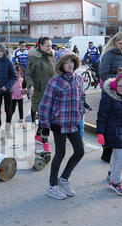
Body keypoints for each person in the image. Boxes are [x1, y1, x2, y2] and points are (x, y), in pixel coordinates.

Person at [39, 51, 85, 200]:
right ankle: (52, 186)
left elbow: (81, 98)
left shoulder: (78, 79)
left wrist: (81, 111)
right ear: (60, 65)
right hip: (58, 123)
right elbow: (45, 104)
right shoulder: (55, 81)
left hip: (73, 123)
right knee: (60, 153)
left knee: (80, 151)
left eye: (72, 61)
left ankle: (64, 179)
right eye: (66, 62)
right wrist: (44, 125)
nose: (70, 65)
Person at [96, 69, 122, 196]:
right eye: (120, 86)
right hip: (112, 131)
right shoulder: (108, 97)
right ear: (115, 84)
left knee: (117, 155)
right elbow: (102, 115)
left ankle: (112, 173)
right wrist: (100, 132)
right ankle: (115, 182)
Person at [98, 31, 122, 163]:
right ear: (115, 42)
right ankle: (107, 153)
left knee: (119, 122)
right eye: (120, 43)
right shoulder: (109, 54)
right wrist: (118, 81)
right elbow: (103, 74)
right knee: (109, 122)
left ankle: (112, 153)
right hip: (110, 93)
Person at [25, 36, 56, 151]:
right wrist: (30, 85)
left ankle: (38, 135)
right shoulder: (34, 58)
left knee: (46, 117)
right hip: (39, 92)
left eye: (51, 45)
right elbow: (28, 74)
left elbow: (55, 73)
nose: (50, 48)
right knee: (44, 118)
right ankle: (45, 142)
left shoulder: (51, 57)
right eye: (47, 45)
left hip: (51, 92)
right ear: (41, 46)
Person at [0, 44, 17, 138]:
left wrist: (6, 86)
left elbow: (14, 76)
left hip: (7, 90)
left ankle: (8, 130)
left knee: (8, 110)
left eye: (1, 51)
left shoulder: (9, 62)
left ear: (4, 51)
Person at [11, 64, 27, 130]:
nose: (17, 73)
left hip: (20, 96)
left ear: (20, 72)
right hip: (13, 96)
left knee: (21, 109)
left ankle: (21, 122)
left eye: (18, 72)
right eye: (16, 72)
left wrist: (24, 90)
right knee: (12, 109)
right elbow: (9, 86)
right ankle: (9, 121)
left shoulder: (22, 79)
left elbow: (24, 87)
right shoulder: (12, 79)